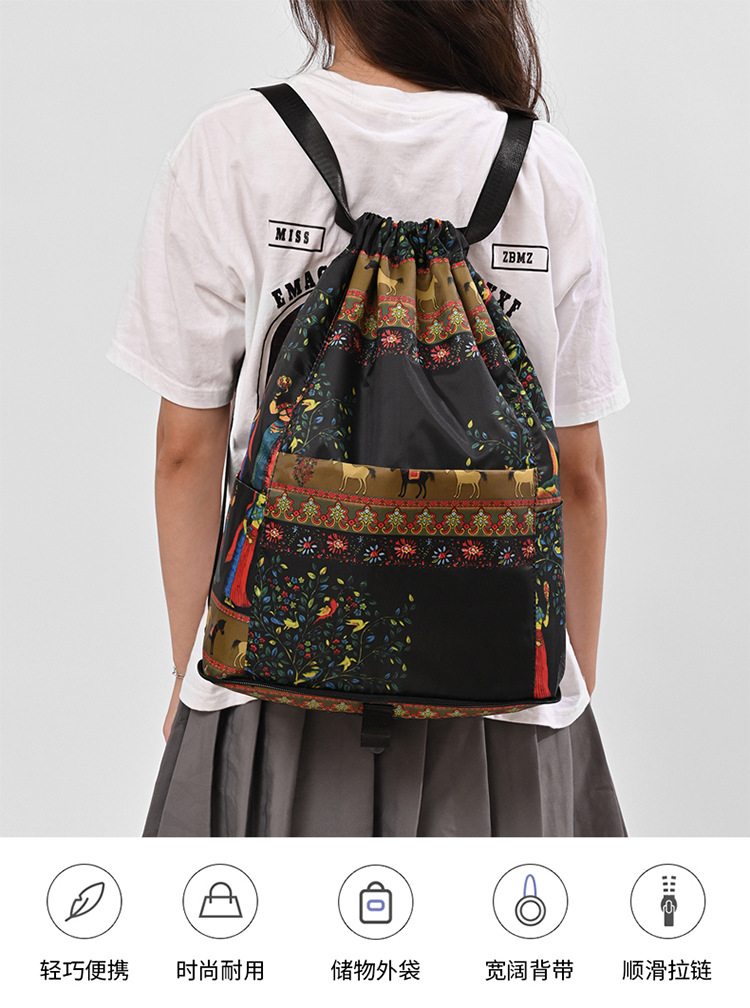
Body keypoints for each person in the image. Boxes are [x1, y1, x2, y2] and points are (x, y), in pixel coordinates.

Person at [109, 0, 629, 837]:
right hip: (497, 695)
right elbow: (581, 476)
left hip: (271, 683)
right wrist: (565, 688)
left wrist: (191, 671)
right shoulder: (544, 167)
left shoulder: (234, 145)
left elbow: (184, 450)